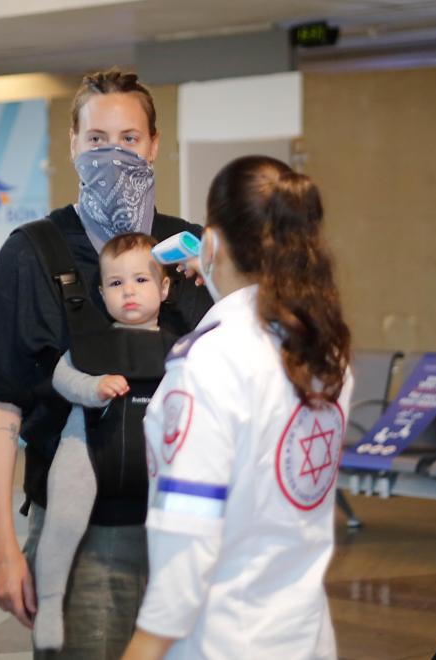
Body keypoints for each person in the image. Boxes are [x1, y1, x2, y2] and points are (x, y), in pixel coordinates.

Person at [0, 67, 213, 659]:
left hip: (186, 529)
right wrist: (2, 545)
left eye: (129, 139)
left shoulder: (194, 251)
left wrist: (222, 287)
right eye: (98, 140)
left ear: (154, 145)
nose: (114, 154)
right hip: (84, 536)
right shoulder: (33, 251)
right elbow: (2, 403)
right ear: (73, 144)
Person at [122, 155, 353, 660]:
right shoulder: (323, 351)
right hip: (304, 634)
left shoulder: (211, 361)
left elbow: (189, 533)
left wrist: (143, 648)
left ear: (210, 243)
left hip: (221, 639)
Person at [34, 233, 174, 651]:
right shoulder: (92, 345)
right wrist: (93, 387)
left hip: (156, 462)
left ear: (165, 288)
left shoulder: (182, 347)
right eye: (115, 283)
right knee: (61, 521)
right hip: (88, 448)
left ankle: (174, 607)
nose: (128, 290)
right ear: (101, 293)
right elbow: (62, 376)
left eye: (141, 280)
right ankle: (49, 605)